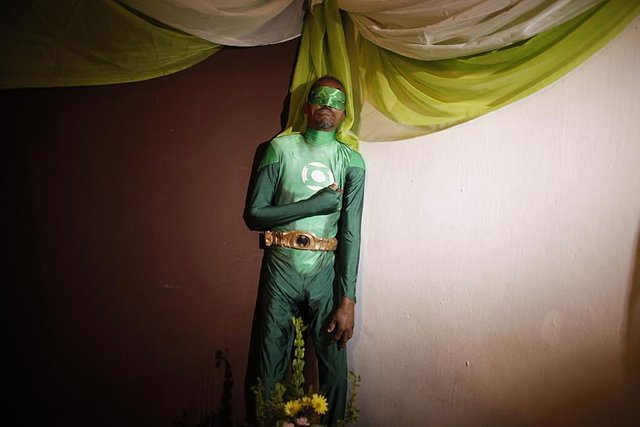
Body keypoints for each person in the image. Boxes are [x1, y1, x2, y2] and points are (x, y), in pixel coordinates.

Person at [244, 76, 365, 426]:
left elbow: (351, 233)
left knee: (335, 369)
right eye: (321, 97)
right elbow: (255, 214)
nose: (328, 104)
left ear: (344, 114)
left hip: (324, 270)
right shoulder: (280, 149)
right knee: (270, 365)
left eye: (337, 101)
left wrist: (347, 300)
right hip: (281, 265)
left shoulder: (352, 161)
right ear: (308, 106)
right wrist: (314, 205)